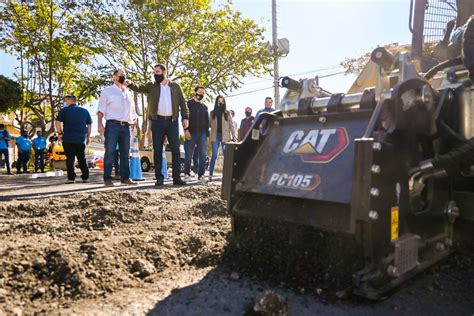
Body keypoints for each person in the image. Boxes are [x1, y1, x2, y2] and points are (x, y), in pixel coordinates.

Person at [127, 63, 189, 186]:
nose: (156, 74)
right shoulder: (152, 86)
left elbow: (183, 103)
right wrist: (130, 84)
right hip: (157, 122)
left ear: (164, 72)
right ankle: (159, 178)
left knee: (176, 150)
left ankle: (177, 178)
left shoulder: (175, 87)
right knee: (157, 149)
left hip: (172, 122)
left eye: (158, 72)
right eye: (154, 72)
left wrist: (185, 117)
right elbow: (140, 88)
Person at [97, 68, 139, 187]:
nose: (123, 77)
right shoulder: (107, 91)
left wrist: (134, 121)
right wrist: (100, 124)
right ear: (114, 77)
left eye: (124, 75)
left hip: (126, 127)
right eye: (121, 75)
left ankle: (125, 178)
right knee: (110, 152)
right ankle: (108, 179)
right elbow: (100, 110)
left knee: (126, 153)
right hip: (112, 126)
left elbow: (132, 110)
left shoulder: (128, 92)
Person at [55, 95, 92, 184]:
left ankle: (71, 178)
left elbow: (57, 122)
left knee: (70, 159)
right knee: (82, 158)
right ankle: (85, 177)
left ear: (70, 101)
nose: (65, 103)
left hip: (68, 138)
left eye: (66, 101)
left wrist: (60, 133)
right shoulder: (84, 111)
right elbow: (89, 125)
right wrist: (88, 137)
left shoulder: (64, 110)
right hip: (80, 139)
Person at [184, 85, 209, 182]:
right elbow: (185, 118)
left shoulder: (205, 107)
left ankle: (201, 175)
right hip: (191, 132)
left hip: (202, 134)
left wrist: (207, 136)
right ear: (195, 92)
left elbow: (206, 123)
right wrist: (186, 130)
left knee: (203, 155)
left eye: (203, 93)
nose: (201, 94)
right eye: (199, 92)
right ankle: (187, 173)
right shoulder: (188, 104)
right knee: (188, 154)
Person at [208, 95, 236, 181]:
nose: (221, 102)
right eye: (219, 101)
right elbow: (209, 125)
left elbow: (231, 125)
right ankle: (210, 175)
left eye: (222, 101)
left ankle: (227, 175)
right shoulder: (212, 113)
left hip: (226, 136)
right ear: (216, 102)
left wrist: (234, 136)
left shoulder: (227, 113)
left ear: (224, 102)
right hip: (215, 136)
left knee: (226, 155)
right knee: (214, 155)